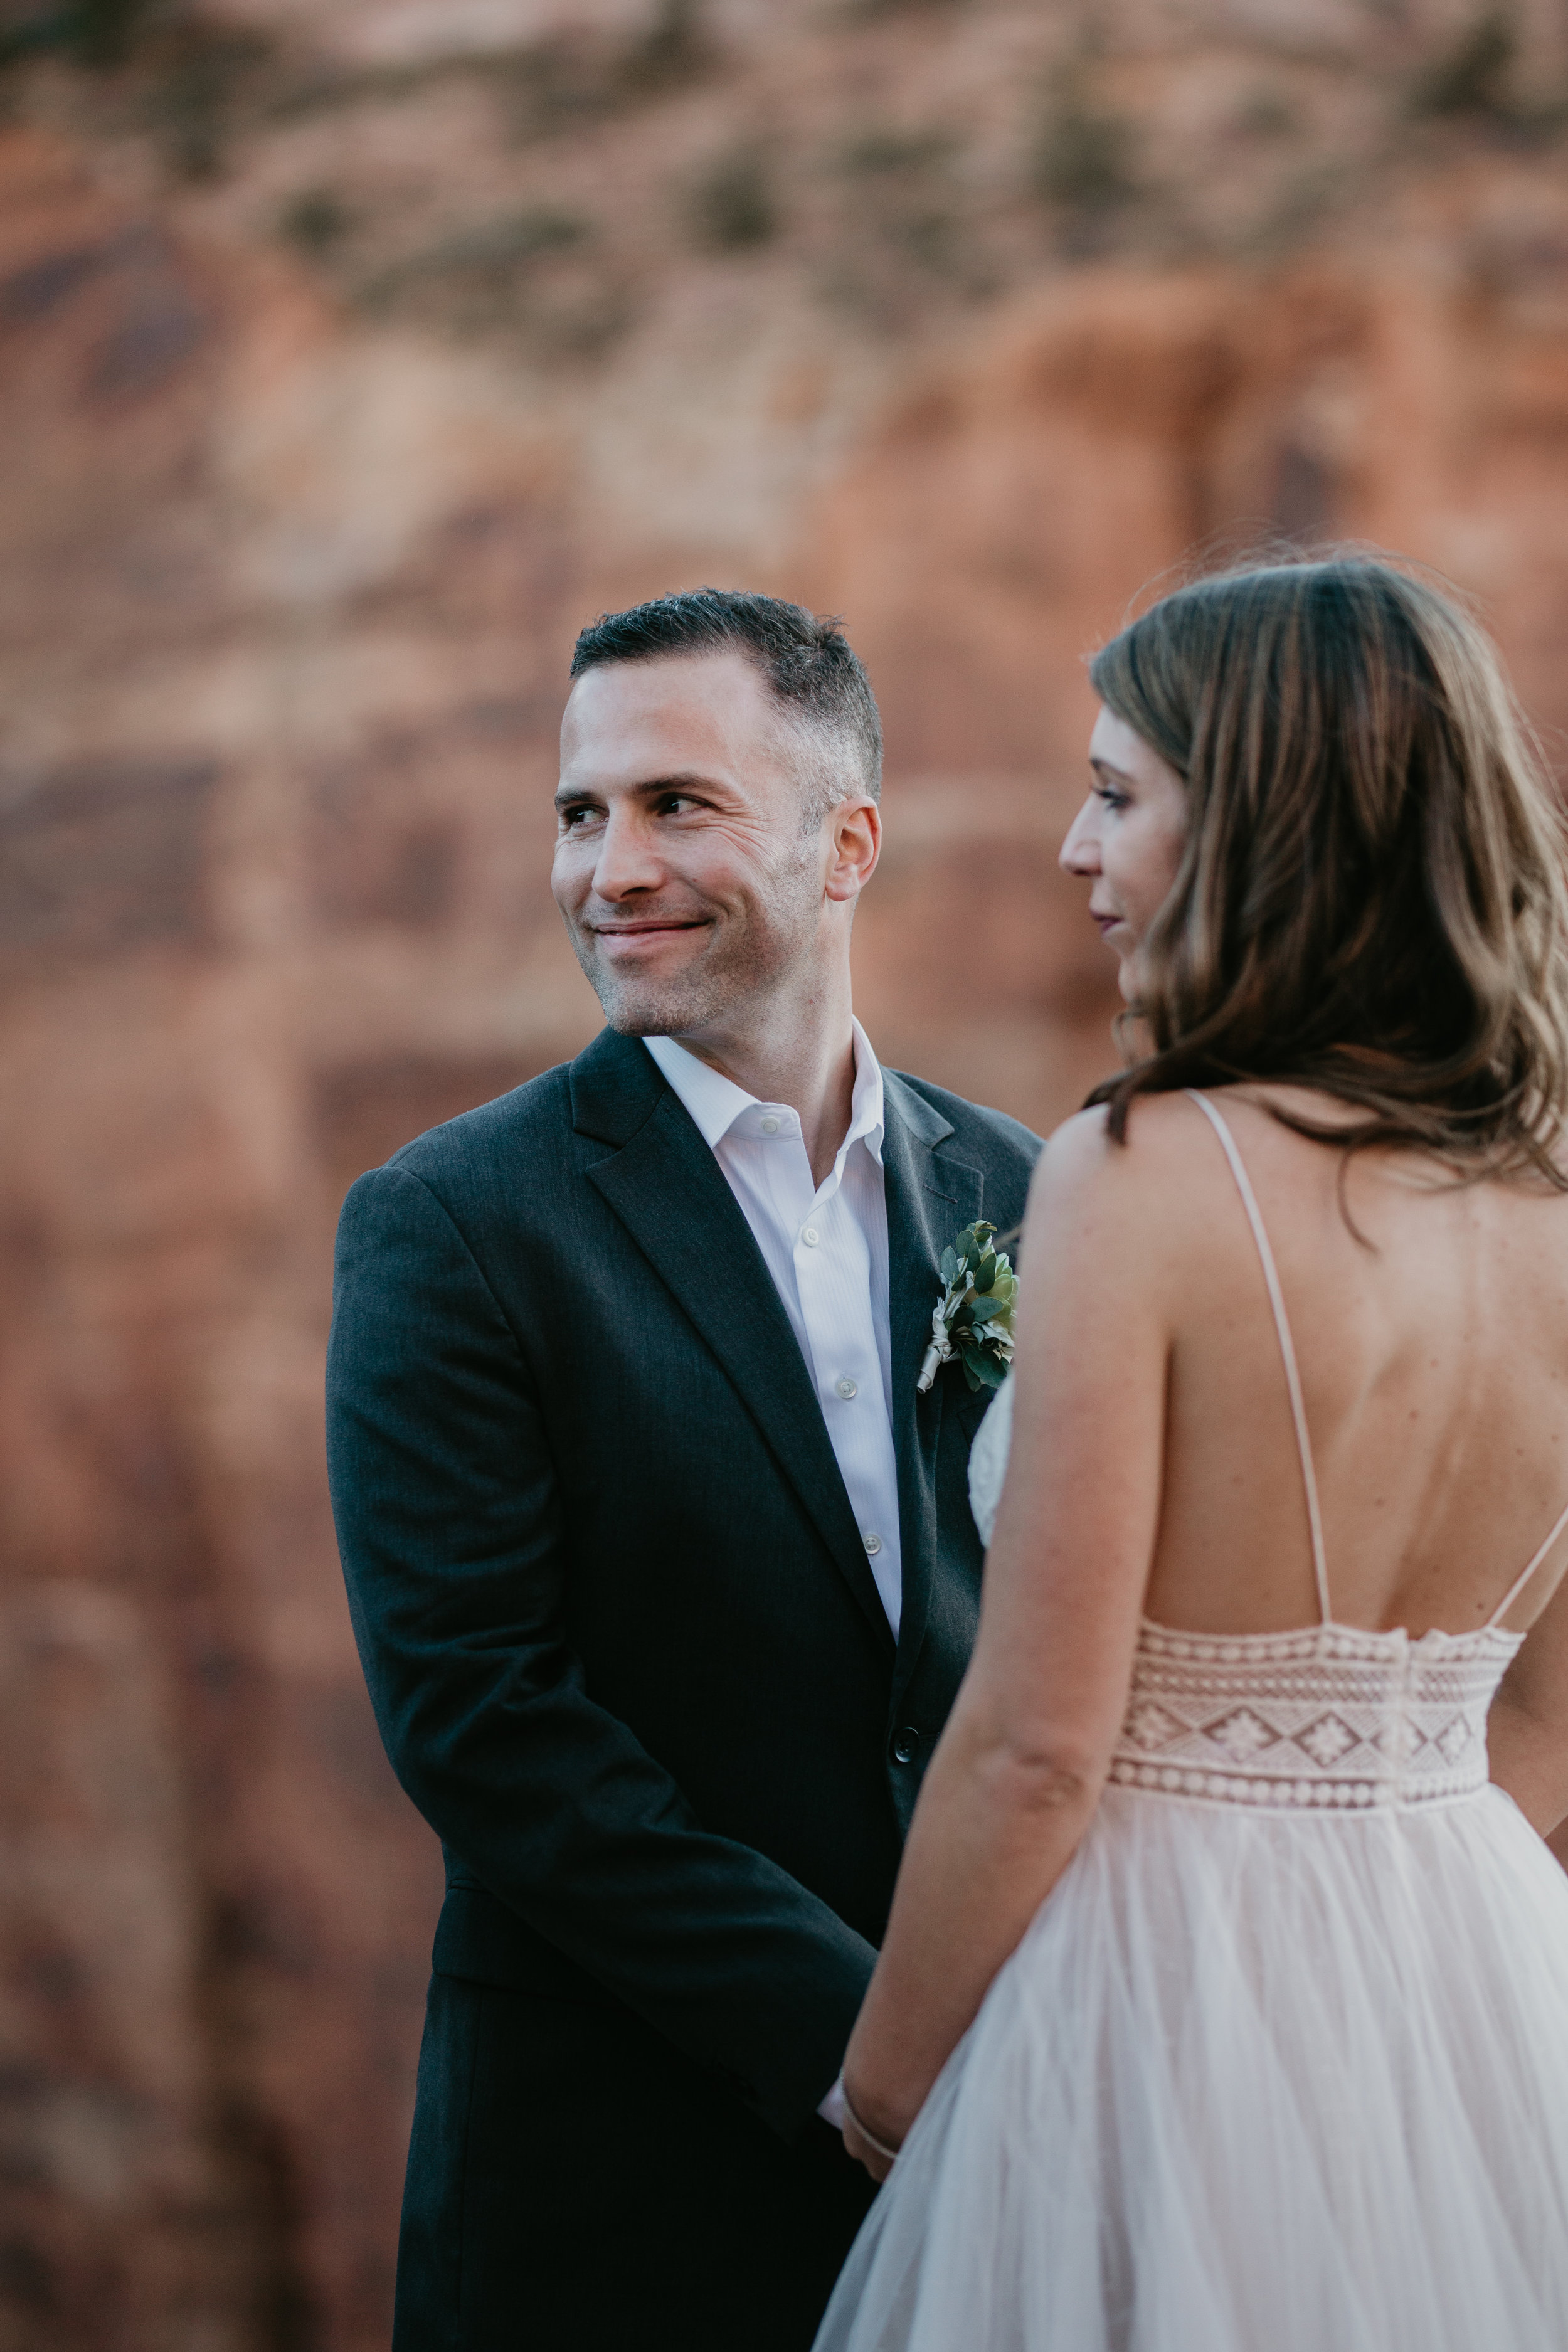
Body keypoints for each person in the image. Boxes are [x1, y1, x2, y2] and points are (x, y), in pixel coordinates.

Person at [814, 556, 1568, 2351]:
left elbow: (1034, 1745)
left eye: (1115, 795)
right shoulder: (1550, 1204)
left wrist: (890, 2095)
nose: (1075, 853)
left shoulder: (1148, 1175)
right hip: (1472, 1971)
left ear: (1264, 823)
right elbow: (1540, 1726)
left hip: (1146, 1997)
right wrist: (1402, 1962)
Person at [324, 589, 1039, 2350]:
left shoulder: (1021, 1196)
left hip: (1005, 2145)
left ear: (845, 841)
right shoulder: (456, 1223)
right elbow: (486, 1722)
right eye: (580, 814)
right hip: (619, 2179)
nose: (606, 869)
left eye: (676, 806)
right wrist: (859, 2048)